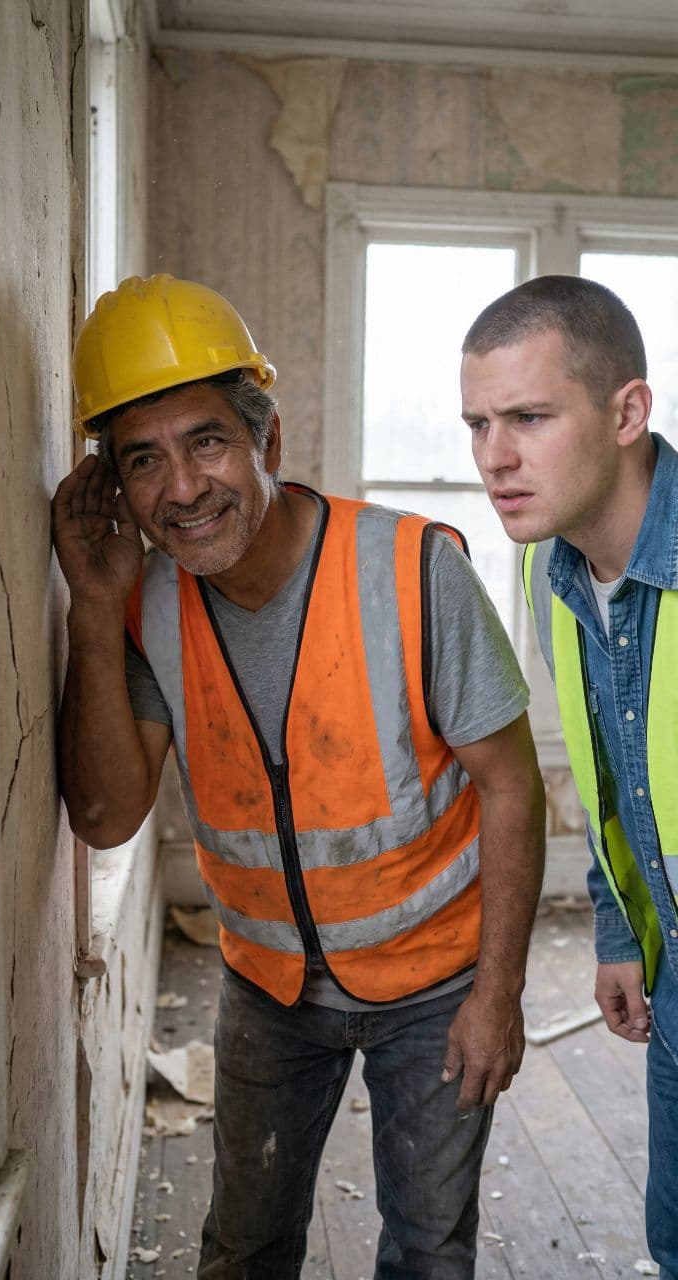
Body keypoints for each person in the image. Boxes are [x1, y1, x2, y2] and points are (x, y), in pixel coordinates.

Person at [53, 272, 545, 1280]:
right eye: (143, 459)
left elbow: (512, 786)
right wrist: (94, 612)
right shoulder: (147, 604)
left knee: (429, 1251)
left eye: (206, 442)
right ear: (118, 487)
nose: (181, 488)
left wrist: (498, 994)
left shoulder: (413, 568)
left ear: (266, 442)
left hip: (436, 982)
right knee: (243, 1248)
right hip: (267, 985)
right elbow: (103, 816)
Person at [461, 273, 678, 1280]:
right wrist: (621, 930)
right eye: (478, 424)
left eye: (529, 418)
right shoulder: (551, 571)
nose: (493, 457)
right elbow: (617, 778)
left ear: (627, 413)